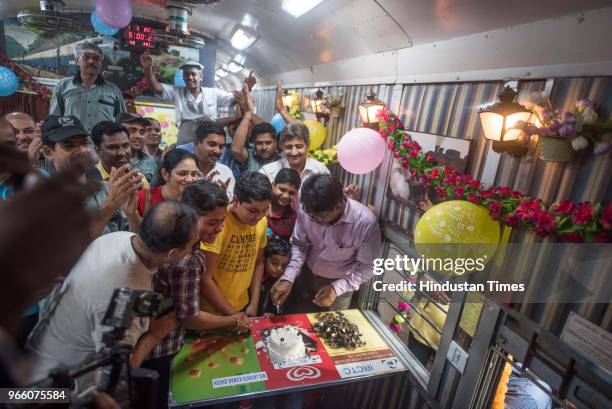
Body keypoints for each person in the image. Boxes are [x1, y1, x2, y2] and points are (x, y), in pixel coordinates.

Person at [27, 200, 200, 382]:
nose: (192, 251)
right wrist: (153, 336)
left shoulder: (117, 238)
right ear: (173, 254)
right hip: (55, 388)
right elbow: (114, 374)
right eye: (191, 246)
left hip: (37, 352)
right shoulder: (127, 298)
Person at [142, 181, 251, 409]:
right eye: (212, 223)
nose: (220, 228)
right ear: (189, 218)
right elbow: (189, 316)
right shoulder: (187, 259)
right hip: (162, 348)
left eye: (222, 221)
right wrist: (233, 321)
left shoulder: (181, 239)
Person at [271, 174, 381, 313]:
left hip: (341, 283)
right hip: (306, 275)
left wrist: (337, 288)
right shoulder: (308, 211)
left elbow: (369, 267)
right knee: (300, 323)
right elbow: (300, 244)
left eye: (318, 218)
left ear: (339, 205)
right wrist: (289, 277)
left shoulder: (365, 223)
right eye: (309, 215)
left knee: (333, 328)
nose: (311, 221)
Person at [41, 115, 141, 236]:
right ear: (48, 152)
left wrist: (132, 215)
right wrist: (111, 205)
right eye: (69, 146)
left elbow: (133, 242)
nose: (82, 150)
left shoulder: (107, 189)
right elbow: (71, 248)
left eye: (84, 143)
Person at [140, 51, 255, 145]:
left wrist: (246, 90)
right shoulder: (177, 92)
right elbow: (155, 87)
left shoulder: (214, 93)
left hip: (209, 143)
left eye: (193, 74)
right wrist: (147, 69)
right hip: (185, 143)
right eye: (186, 74)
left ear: (201, 77)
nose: (190, 77)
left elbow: (235, 98)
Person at [200, 172, 271, 316]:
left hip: (242, 305)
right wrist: (233, 317)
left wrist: (254, 302)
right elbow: (205, 279)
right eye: (252, 210)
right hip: (211, 310)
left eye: (264, 210)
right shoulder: (218, 224)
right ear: (236, 201)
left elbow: (258, 263)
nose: (259, 216)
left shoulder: (261, 222)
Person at [50, 41, 126, 132]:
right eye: (86, 57)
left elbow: (122, 121)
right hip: (74, 143)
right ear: (77, 61)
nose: (91, 61)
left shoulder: (114, 90)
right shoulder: (63, 86)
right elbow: (54, 119)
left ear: (101, 63)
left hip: (104, 144)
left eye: (96, 58)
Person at [259, 123, 330, 202]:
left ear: (308, 144)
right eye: (289, 147)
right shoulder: (268, 172)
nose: (294, 152)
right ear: (281, 146)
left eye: (299, 146)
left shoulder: (320, 171)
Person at [136, 148, 199, 217]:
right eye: (182, 173)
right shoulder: (143, 198)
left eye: (193, 174)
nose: (189, 179)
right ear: (165, 174)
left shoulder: (198, 200)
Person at [231, 86, 280, 172]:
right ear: (253, 144)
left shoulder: (283, 160)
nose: (264, 147)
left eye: (268, 143)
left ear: (276, 143)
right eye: (259, 143)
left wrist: (246, 109)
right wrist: (248, 114)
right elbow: (236, 149)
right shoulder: (250, 159)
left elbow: (266, 128)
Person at [191, 121, 235, 200]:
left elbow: (228, 207)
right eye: (212, 145)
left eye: (221, 146)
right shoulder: (184, 171)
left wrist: (222, 199)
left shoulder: (226, 172)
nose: (217, 151)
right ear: (197, 143)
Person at [116, 112, 160, 186]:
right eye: (132, 131)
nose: (138, 136)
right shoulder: (108, 159)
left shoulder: (149, 162)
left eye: (142, 132)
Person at [258, 237, 291, 315]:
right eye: (274, 263)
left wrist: (272, 313)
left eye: (284, 265)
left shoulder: (284, 282)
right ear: (264, 259)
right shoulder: (255, 281)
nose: (279, 268)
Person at [267, 168, 300, 241]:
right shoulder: (260, 207)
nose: (286, 196)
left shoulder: (293, 218)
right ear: (273, 186)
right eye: (282, 190)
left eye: (291, 193)